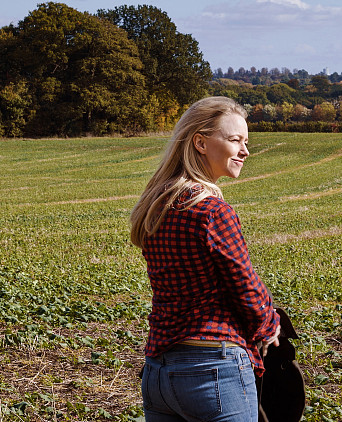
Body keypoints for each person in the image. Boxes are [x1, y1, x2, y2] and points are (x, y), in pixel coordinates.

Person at [130, 96, 281, 421]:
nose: (245, 150)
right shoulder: (212, 211)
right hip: (213, 372)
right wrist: (270, 326)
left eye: (246, 141)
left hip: (158, 373)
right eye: (234, 140)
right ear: (200, 142)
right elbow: (246, 287)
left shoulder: (155, 206)